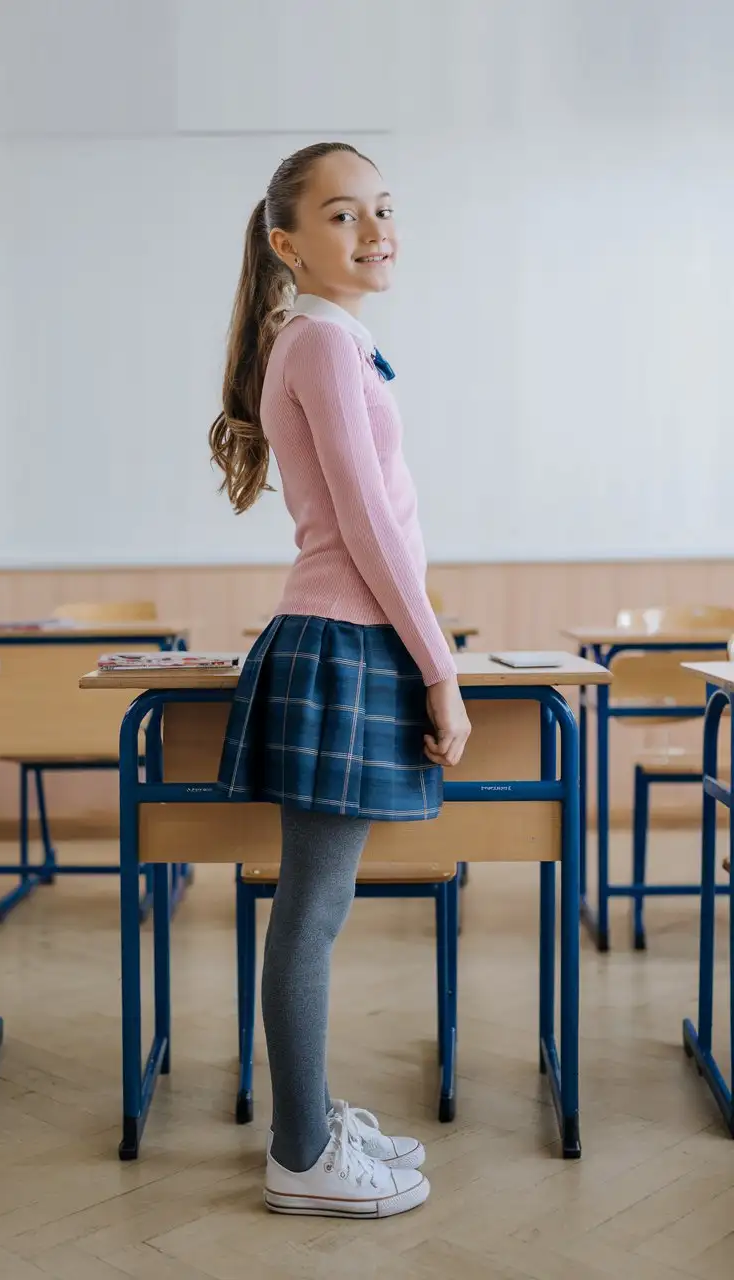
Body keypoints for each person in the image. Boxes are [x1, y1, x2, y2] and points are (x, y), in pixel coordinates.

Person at [210, 141, 471, 1219]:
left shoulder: (328, 338)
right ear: (287, 243)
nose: (373, 230)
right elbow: (368, 527)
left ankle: (309, 1117)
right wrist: (439, 669)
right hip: (341, 637)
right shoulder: (316, 341)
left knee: (316, 908)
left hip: (342, 635)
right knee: (310, 912)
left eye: (380, 208)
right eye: (340, 215)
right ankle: (300, 1148)